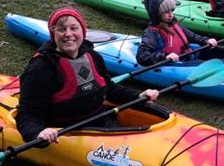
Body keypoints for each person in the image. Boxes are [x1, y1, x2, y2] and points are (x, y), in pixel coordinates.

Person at [16, 8, 160, 144]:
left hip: (100, 122)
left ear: (83, 31)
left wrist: (138, 95)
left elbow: (109, 89)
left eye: (74, 28)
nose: (68, 34)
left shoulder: (92, 56)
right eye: (61, 29)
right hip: (64, 133)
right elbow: (27, 113)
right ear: (53, 34)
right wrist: (37, 132)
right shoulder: (41, 67)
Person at [137, 0, 217, 66]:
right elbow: (142, 56)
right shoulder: (152, 33)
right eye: (166, 12)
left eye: (172, 10)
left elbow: (192, 36)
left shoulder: (174, 24)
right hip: (174, 64)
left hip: (188, 59)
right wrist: (165, 57)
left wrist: (206, 40)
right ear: (156, 14)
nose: (171, 15)